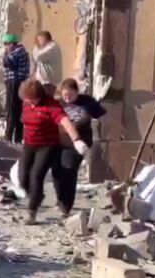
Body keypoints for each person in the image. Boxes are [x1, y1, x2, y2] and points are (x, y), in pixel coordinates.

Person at [18, 79, 86, 225]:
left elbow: (65, 122)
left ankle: (32, 211)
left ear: (40, 97)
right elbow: (25, 121)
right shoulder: (26, 103)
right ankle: (36, 196)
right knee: (22, 176)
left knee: (36, 175)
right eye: (28, 100)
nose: (31, 103)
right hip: (29, 144)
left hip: (47, 146)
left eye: (33, 100)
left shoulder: (50, 105)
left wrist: (76, 140)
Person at [52, 78, 106, 216]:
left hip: (78, 144)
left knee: (69, 170)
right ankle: (60, 199)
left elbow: (102, 114)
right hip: (58, 142)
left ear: (77, 92)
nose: (67, 98)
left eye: (70, 94)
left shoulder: (87, 102)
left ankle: (66, 206)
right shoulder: (58, 104)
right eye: (65, 95)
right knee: (57, 171)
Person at [2, 33, 29, 144]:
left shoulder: (17, 52)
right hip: (17, 82)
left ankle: (8, 136)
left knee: (12, 109)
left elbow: (9, 63)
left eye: (5, 44)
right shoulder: (21, 51)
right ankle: (18, 137)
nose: (4, 46)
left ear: (11, 44)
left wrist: (5, 54)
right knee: (18, 110)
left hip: (14, 82)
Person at [32, 31, 60, 97]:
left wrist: (35, 47)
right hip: (43, 81)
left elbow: (38, 57)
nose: (39, 42)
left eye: (40, 40)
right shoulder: (44, 49)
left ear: (46, 39)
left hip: (48, 82)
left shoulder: (52, 47)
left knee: (47, 99)